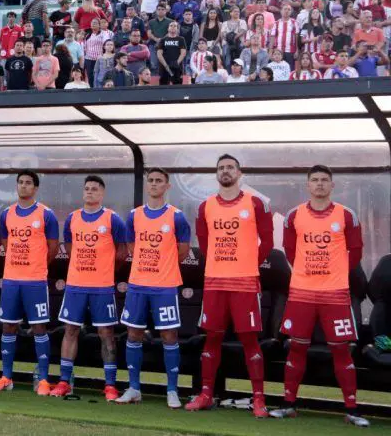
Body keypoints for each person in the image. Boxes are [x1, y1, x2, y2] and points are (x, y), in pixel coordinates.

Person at [269, 165, 370, 427]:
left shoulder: (347, 215)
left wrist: (333, 273)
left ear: (332, 185)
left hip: (335, 294)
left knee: (342, 351)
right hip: (302, 293)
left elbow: (355, 252)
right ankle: (289, 405)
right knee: (297, 347)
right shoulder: (294, 216)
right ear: (308, 185)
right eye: (315, 180)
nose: (320, 184)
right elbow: (290, 251)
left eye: (325, 180)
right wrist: (308, 272)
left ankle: (352, 410)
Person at [185, 155, 273, 417]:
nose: (225, 171)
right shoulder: (205, 206)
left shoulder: (256, 203)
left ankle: (259, 399)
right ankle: (205, 394)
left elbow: (266, 241)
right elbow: (204, 243)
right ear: (216, 174)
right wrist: (220, 264)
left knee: (249, 339)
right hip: (215, 281)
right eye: (221, 168)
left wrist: (247, 264)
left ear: (239, 173)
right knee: (212, 337)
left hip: (244, 281)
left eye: (230, 167)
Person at [115, 168, 190, 408]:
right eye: (152, 181)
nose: (155, 184)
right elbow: (130, 245)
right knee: (133, 333)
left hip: (165, 286)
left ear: (167, 186)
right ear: (147, 186)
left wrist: (163, 266)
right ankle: (134, 388)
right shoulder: (134, 215)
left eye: (160, 181)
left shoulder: (176, 217)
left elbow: (183, 250)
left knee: (169, 335)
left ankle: (171, 391)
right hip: (138, 285)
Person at [50, 175, 127, 401]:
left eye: (94, 189)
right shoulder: (73, 218)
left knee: (106, 333)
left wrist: (103, 270)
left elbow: (122, 252)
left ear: (102, 194)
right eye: (87, 189)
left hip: (102, 287)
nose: (90, 192)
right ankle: (64, 382)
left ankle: (110, 385)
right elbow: (71, 247)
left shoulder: (113, 219)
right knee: (71, 329)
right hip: (76, 285)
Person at [0, 171, 59, 394]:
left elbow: (53, 247)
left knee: (39, 327)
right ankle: (7, 377)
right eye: (20, 182)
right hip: (11, 280)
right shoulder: (6, 213)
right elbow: (6, 243)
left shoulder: (46, 214)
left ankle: (44, 380)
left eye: (28, 183)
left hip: (35, 281)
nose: (24, 186)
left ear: (35, 188)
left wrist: (36, 264)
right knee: (8, 326)